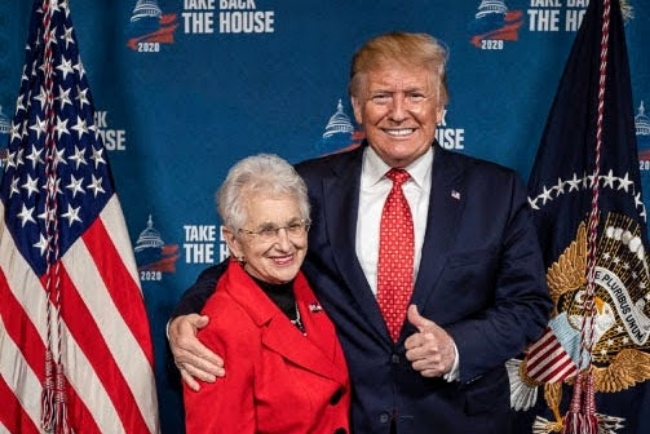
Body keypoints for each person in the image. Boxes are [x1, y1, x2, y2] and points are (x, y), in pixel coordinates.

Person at [171, 32, 552, 433]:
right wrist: (187, 317)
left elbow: (527, 304)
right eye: (382, 96)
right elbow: (245, 263)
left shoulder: (496, 191)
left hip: (458, 419)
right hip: (349, 420)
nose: (399, 113)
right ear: (357, 107)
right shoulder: (309, 186)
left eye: (416, 96)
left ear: (441, 106)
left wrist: (457, 346)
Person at [182, 154, 350, 433]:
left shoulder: (306, 286)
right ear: (234, 241)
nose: (285, 245)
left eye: (294, 226)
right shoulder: (222, 327)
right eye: (266, 231)